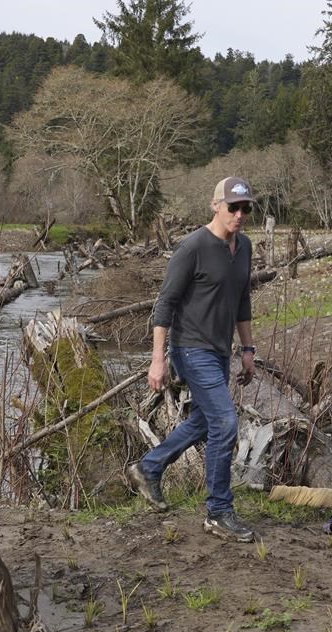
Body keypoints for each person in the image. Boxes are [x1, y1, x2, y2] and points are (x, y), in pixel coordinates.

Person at [126, 177, 258, 542]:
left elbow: (242, 302)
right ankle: (218, 511)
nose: (241, 214)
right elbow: (164, 305)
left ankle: (148, 468)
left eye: (246, 208)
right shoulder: (193, 248)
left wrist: (248, 350)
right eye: (234, 207)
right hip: (189, 349)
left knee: (204, 421)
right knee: (225, 421)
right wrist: (158, 360)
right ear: (216, 206)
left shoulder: (244, 247)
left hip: (219, 350)